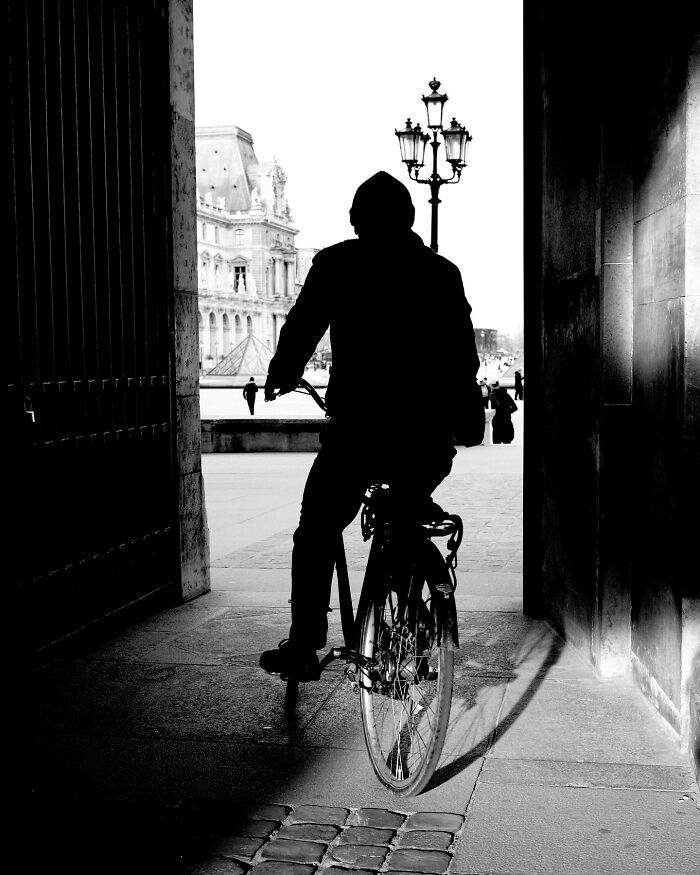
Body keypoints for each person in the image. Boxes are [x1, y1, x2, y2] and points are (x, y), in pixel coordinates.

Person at [258, 171, 481, 680]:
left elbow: (302, 327)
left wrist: (282, 373)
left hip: (357, 434)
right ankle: (409, 614)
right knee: (406, 512)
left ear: (356, 220)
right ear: (411, 218)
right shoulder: (441, 273)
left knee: (316, 528)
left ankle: (305, 643)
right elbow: (462, 355)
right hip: (425, 438)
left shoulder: (337, 264)